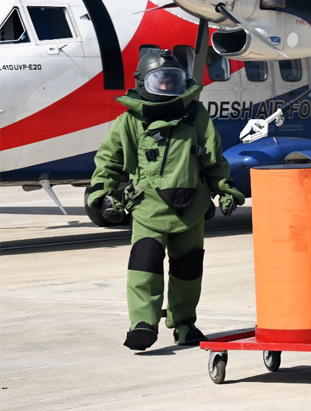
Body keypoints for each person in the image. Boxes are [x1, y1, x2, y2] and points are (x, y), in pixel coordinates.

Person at [86, 49, 245, 351]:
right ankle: (143, 323)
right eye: (159, 80)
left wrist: (226, 190)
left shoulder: (197, 116)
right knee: (144, 265)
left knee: (188, 270)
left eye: (172, 80)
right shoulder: (129, 122)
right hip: (148, 207)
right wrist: (102, 195)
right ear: (143, 82)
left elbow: (213, 158)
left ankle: (184, 324)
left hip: (192, 207)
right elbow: (108, 161)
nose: (166, 86)